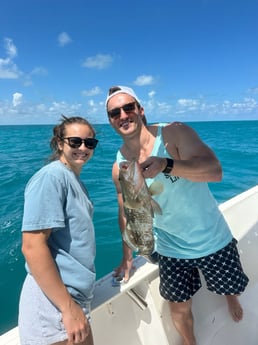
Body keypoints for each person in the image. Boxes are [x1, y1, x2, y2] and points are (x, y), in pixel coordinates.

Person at [105, 86, 249, 345]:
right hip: (170, 248)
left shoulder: (174, 134)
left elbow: (215, 171)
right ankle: (189, 341)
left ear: (140, 109)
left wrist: (166, 164)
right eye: (115, 112)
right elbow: (127, 210)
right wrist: (127, 257)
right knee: (179, 309)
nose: (123, 115)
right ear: (111, 120)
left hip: (212, 238)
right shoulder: (120, 167)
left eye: (128, 107)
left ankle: (231, 297)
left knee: (233, 286)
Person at [18, 116, 98, 345]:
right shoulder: (51, 177)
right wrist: (67, 307)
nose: (83, 148)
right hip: (54, 304)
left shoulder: (71, 179)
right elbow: (32, 246)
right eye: (75, 142)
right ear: (59, 143)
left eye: (89, 143)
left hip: (70, 298)